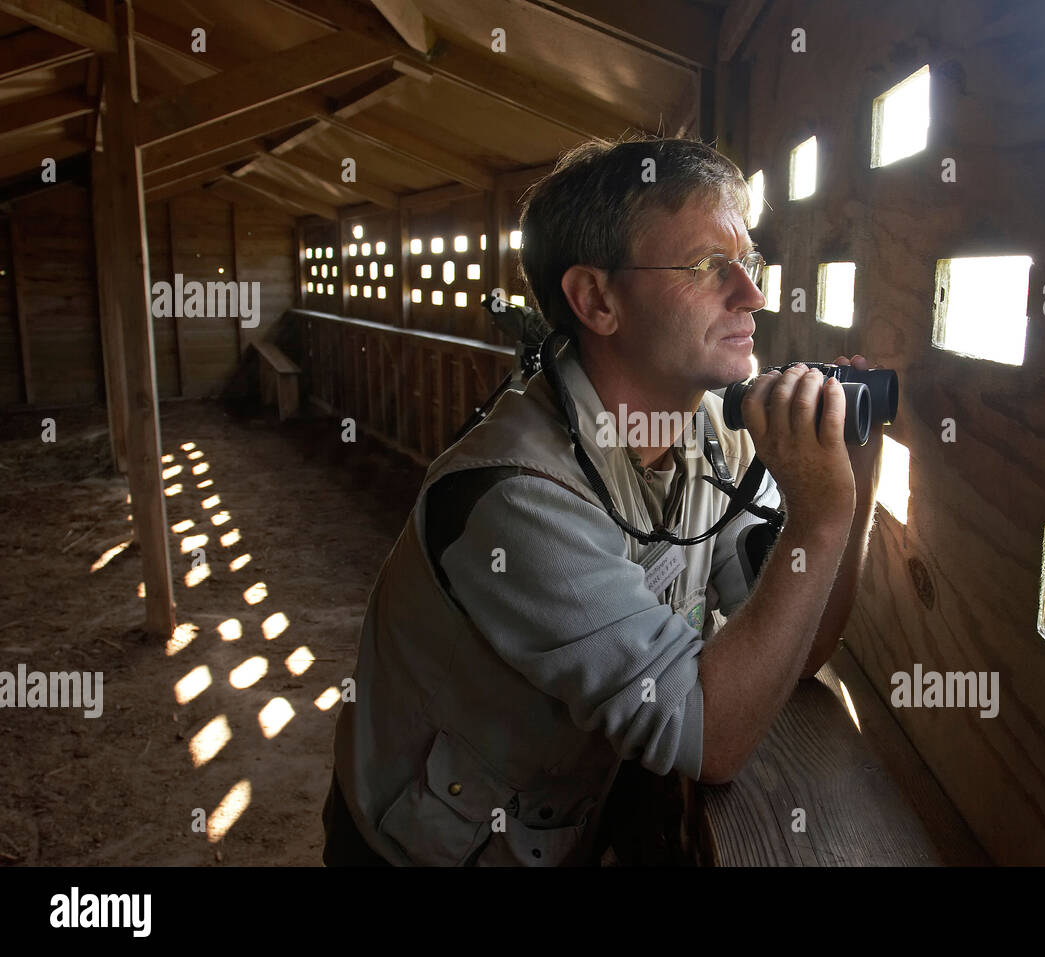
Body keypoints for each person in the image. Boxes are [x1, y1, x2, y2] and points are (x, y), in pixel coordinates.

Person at [322, 135, 884, 866]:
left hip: (555, 828)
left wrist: (851, 475)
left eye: (748, 263)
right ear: (596, 299)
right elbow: (710, 739)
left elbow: (799, 644)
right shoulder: (514, 497)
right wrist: (821, 510)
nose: (751, 293)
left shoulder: (712, 431)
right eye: (709, 266)